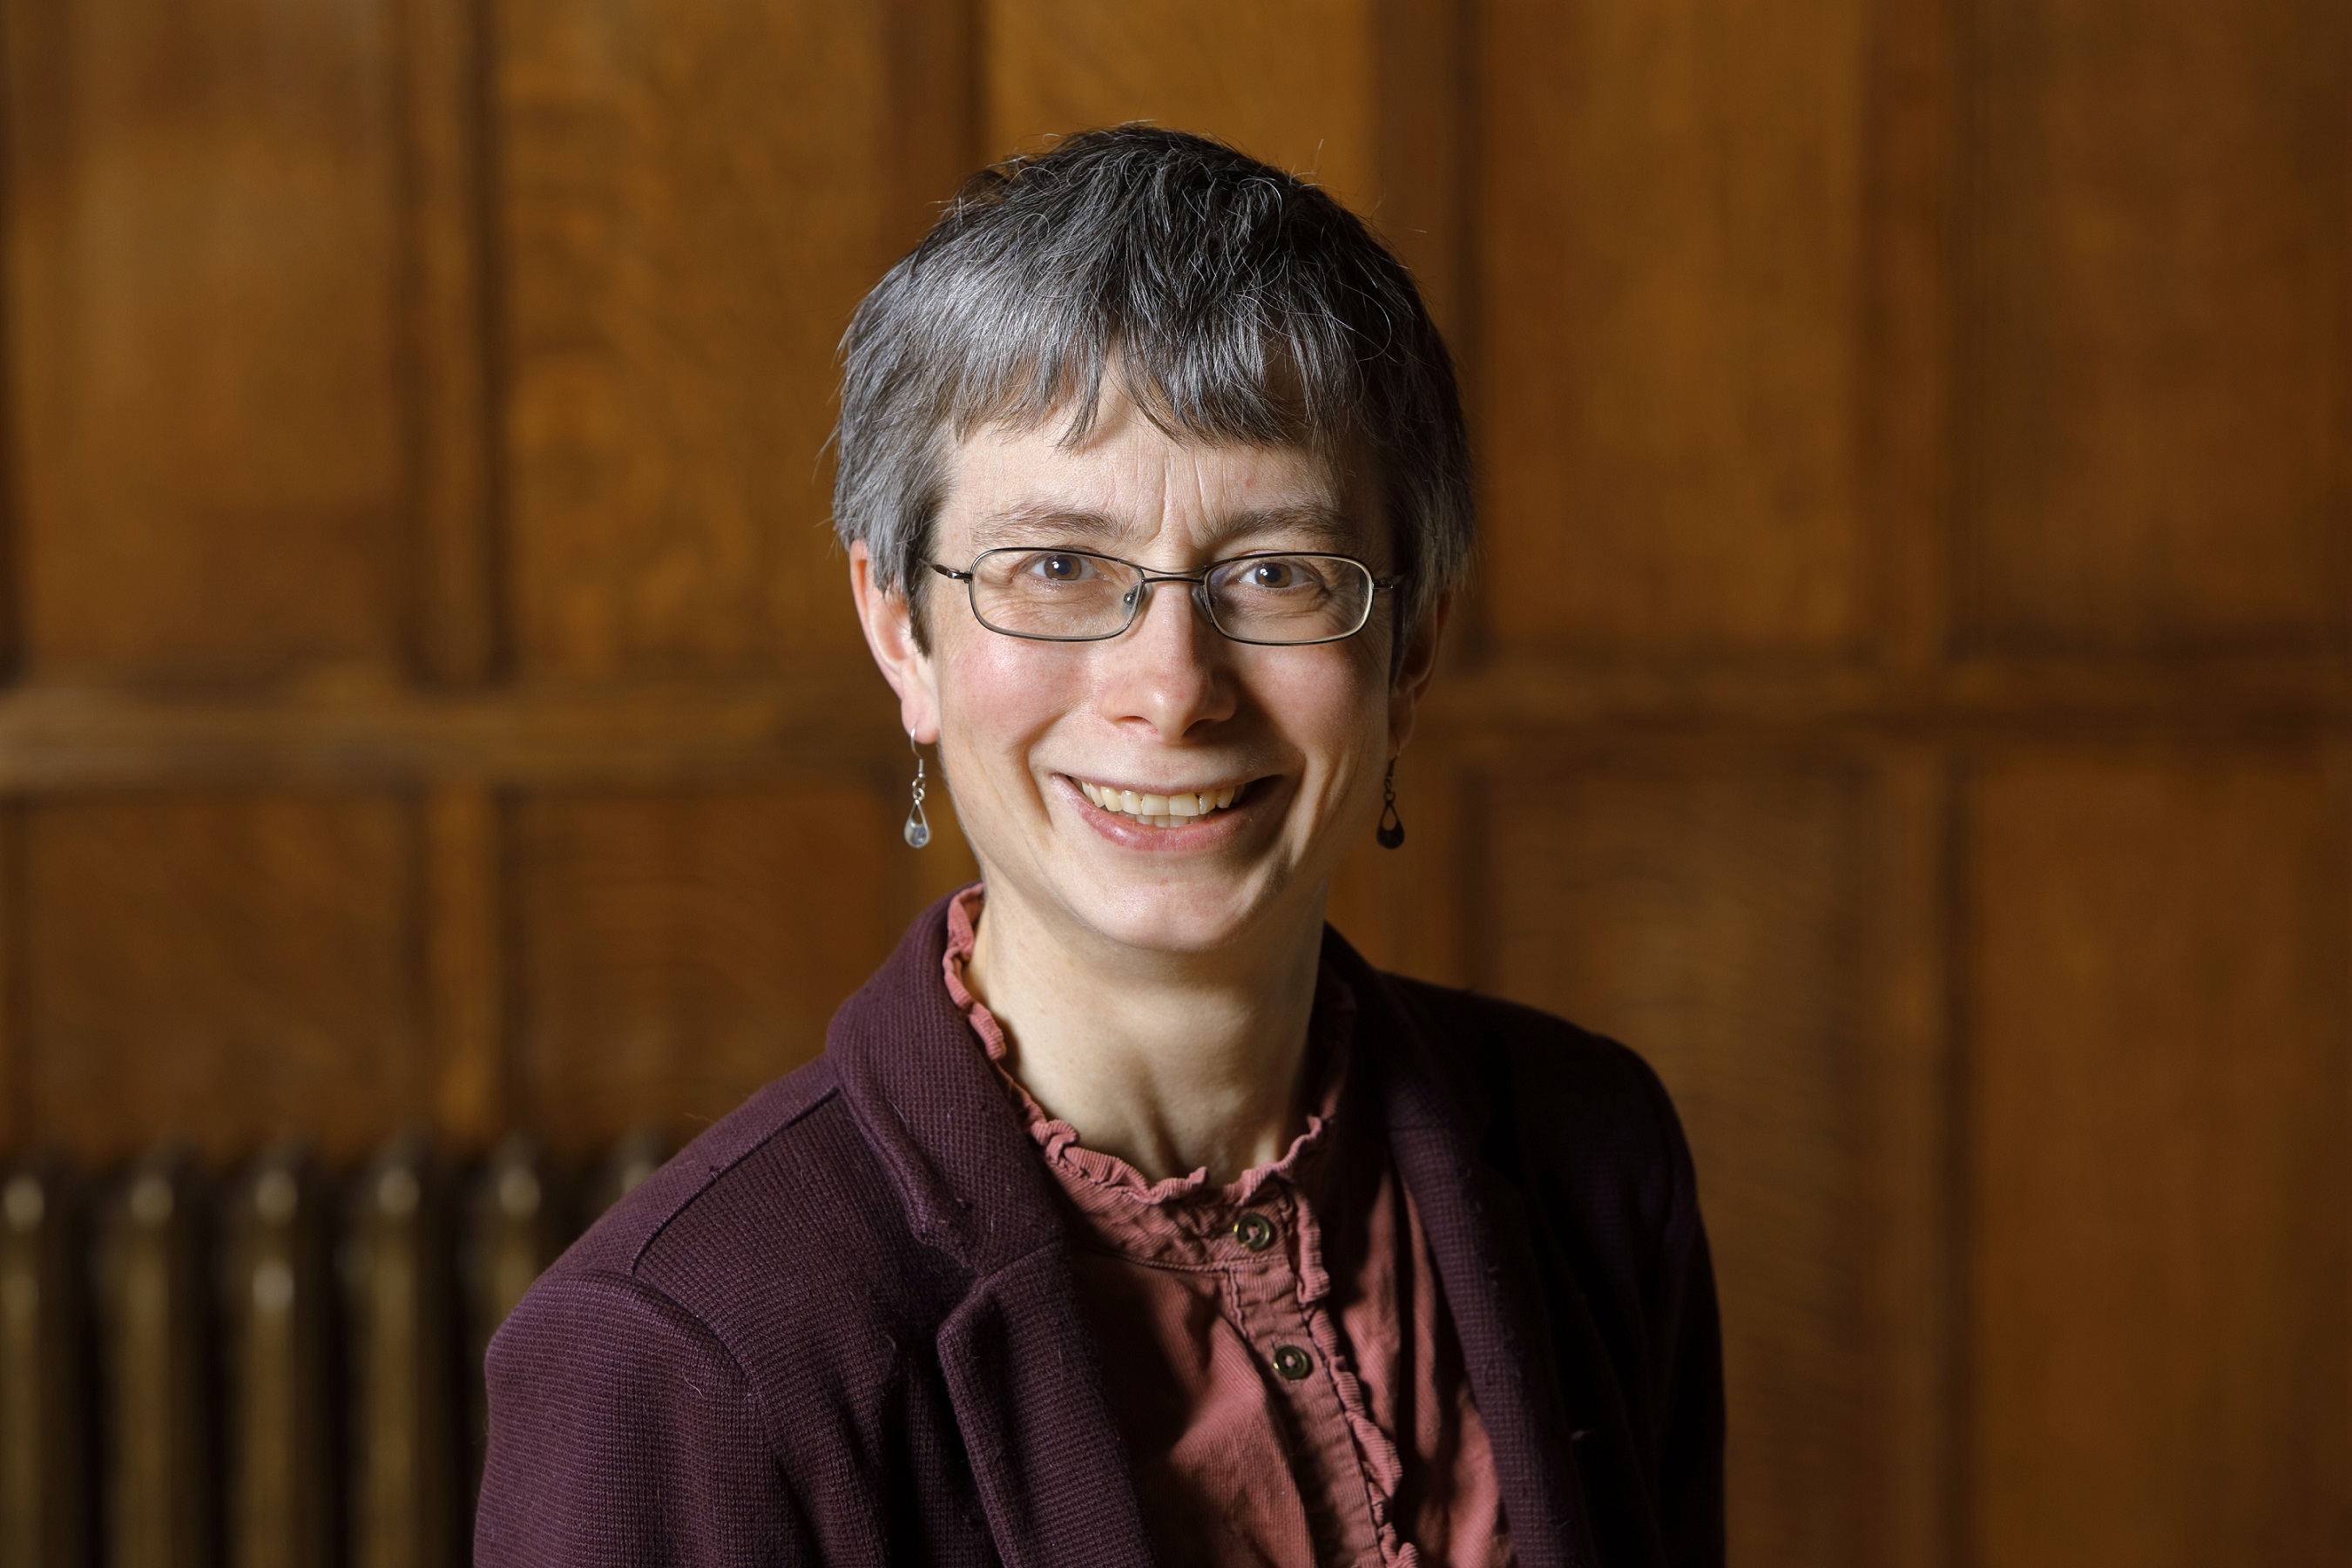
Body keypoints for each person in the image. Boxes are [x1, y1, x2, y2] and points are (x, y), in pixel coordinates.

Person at [477, 126, 1723, 1568]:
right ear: (902, 631)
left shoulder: (1597, 1152)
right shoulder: (671, 1355)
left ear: (1413, 648)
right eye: (1058, 567)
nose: (1172, 689)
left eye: (1276, 571)